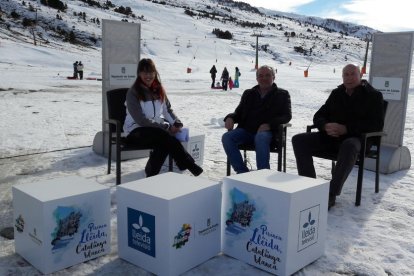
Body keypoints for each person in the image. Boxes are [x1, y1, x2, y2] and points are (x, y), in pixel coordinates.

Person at [292, 64, 384, 209]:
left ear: (360, 75)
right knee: (299, 140)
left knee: (349, 145)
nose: (349, 77)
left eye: (352, 74)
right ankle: (309, 186)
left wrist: (346, 129)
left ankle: (330, 193)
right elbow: (319, 115)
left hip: (357, 139)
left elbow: (376, 125)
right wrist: (325, 126)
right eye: (345, 75)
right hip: (331, 137)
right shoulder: (337, 93)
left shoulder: (373, 96)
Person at [123, 58, 203, 177]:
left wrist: (176, 123)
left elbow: (167, 110)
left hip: (156, 132)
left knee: (164, 142)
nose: (148, 76)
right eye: (145, 72)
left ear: (155, 73)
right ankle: (189, 164)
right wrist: (165, 127)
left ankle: (151, 174)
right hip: (135, 132)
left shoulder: (159, 90)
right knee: (165, 137)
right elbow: (141, 121)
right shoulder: (133, 92)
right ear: (139, 73)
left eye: (151, 72)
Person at [222, 65, 292, 174]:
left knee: (261, 137)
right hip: (246, 131)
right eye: (261, 76)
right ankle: (242, 172)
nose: (264, 78)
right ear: (257, 78)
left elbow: (286, 116)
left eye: (268, 75)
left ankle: (262, 174)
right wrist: (230, 117)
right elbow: (239, 112)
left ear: (274, 77)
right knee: (227, 137)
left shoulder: (282, 94)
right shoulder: (248, 93)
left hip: (268, 133)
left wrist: (269, 125)